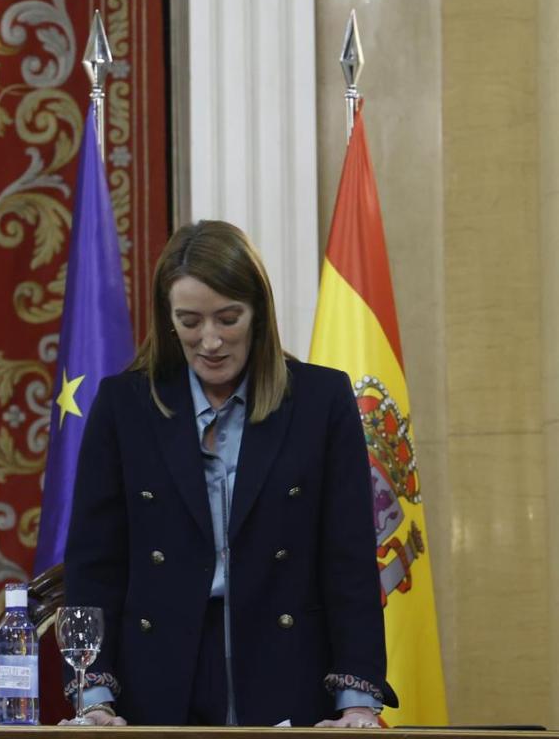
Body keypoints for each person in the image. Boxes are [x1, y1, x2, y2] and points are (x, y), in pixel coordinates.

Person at [63, 220, 397, 727]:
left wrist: (356, 700)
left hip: (287, 668)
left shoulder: (320, 401)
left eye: (228, 318)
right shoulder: (123, 406)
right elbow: (95, 567)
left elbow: (348, 560)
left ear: (258, 313)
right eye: (190, 321)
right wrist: (95, 699)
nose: (211, 341)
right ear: (167, 319)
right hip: (158, 678)